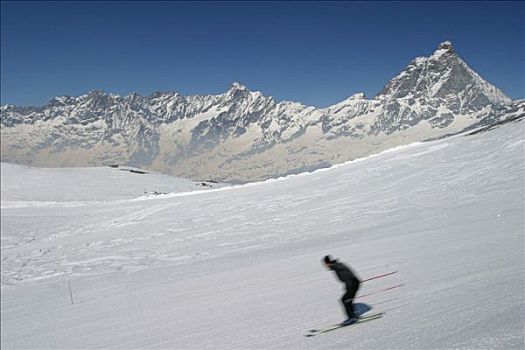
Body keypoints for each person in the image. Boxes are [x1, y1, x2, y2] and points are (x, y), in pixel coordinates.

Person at [323, 255, 361, 325]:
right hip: (353, 283)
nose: (325, 266)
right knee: (346, 300)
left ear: (328, 263)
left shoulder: (338, 267)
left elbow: (348, 278)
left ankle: (352, 318)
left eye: (325, 264)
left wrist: (348, 288)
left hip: (353, 284)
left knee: (345, 300)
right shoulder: (337, 266)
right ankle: (353, 316)